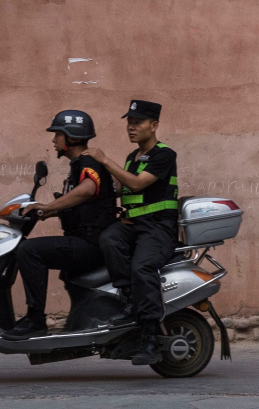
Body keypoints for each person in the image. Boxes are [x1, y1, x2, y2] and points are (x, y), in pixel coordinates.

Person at [2, 110, 117, 339]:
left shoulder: (87, 162)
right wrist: (46, 212)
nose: (54, 141)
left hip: (90, 242)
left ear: (71, 138)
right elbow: (83, 205)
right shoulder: (78, 165)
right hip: (85, 239)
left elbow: (88, 189)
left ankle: (35, 319)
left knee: (29, 251)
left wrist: (48, 206)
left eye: (58, 135)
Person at [82, 100, 179, 365]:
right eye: (129, 122)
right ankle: (128, 300)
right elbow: (122, 188)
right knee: (108, 239)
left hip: (158, 229)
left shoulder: (164, 154)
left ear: (154, 125)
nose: (131, 127)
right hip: (133, 227)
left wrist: (103, 159)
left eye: (137, 123)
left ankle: (149, 337)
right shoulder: (131, 157)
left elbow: (136, 184)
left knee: (142, 267)